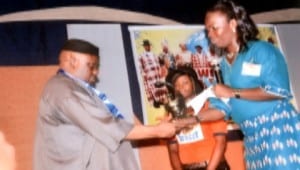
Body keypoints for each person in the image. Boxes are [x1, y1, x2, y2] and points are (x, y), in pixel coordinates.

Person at [179, 0, 300, 170]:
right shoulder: (223, 65)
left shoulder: (262, 50)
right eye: (208, 30)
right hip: (252, 140)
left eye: (215, 28)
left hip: (278, 130)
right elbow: (222, 108)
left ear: (233, 24)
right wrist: (191, 119)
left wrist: (233, 92)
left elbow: (277, 90)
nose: (210, 35)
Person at [33, 38, 177, 170]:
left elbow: (112, 125)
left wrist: (157, 129)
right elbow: (108, 126)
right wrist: (156, 131)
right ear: (72, 60)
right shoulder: (63, 91)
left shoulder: (74, 88)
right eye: (92, 66)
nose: (96, 72)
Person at [164, 66, 229, 170]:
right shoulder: (172, 114)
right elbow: (173, 151)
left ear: (193, 83)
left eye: (185, 83)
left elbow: (220, 143)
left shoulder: (210, 105)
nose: (181, 87)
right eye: (177, 85)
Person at [138, 39, 167, 107]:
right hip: (150, 75)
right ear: (144, 47)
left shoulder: (154, 54)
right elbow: (139, 66)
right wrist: (143, 73)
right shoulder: (141, 56)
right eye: (145, 46)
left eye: (148, 45)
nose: (147, 47)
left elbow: (159, 63)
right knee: (152, 88)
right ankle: (156, 102)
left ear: (150, 46)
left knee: (160, 87)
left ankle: (162, 100)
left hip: (157, 74)